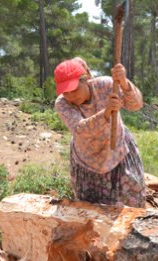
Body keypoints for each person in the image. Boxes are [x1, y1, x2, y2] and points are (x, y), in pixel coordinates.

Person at [54, 57, 145, 208]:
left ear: (86, 79)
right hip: (88, 159)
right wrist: (106, 112)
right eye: (65, 92)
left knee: (130, 206)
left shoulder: (106, 85)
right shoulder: (62, 103)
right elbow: (80, 130)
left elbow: (136, 105)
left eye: (74, 89)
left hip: (118, 150)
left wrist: (124, 82)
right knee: (92, 209)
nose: (70, 96)